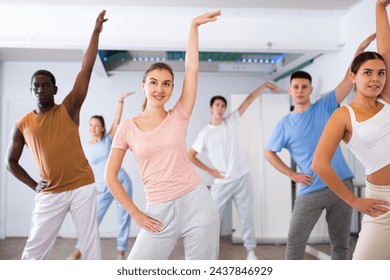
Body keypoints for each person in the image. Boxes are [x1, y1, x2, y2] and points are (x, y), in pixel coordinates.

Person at [105, 11, 222, 260]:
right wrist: (135, 213)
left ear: (172, 88)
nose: (160, 88)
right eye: (154, 82)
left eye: (166, 83)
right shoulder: (127, 127)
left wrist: (193, 27)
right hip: (158, 210)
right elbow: (110, 176)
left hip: (198, 204)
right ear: (143, 86)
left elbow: (191, 70)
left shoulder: (179, 115)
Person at [4, 10, 107, 260]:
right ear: (31, 91)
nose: (40, 89)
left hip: (82, 186)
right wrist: (33, 185)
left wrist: (95, 32)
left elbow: (87, 68)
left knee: (91, 248)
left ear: (55, 89)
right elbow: (10, 162)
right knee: (34, 250)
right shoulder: (22, 125)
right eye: (35, 86)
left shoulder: (69, 108)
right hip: (50, 192)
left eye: (45, 85)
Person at [264, 34, 376, 260]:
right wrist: (292, 174)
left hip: (342, 185)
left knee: (341, 247)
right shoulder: (284, 124)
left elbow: (348, 80)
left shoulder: (325, 106)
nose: (300, 90)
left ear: (310, 90)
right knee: (294, 246)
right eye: (295, 86)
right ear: (290, 90)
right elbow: (269, 152)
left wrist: (360, 49)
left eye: (304, 86)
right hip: (310, 189)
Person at [312, 0, 390, 260]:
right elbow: (320, 164)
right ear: (353, 77)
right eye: (367, 73)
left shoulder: (387, 99)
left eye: (381, 73)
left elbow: (385, 50)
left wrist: (380, 8)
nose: (376, 79)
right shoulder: (343, 116)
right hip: (383, 203)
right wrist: (354, 201)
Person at [188, 82, 279, 260]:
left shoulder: (230, 122)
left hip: (242, 177)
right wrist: (209, 170)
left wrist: (264, 86)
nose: (220, 109)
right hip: (222, 182)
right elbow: (190, 155)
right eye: (217, 106)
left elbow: (249, 99)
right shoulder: (205, 134)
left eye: (223, 106)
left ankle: (251, 252)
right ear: (211, 108)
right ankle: (208, 255)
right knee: (212, 219)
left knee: (246, 216)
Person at [68, 92, 134, 260]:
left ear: (102, 128)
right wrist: (92, 188)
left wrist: (120, 101)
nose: (93, 128)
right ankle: (78, 251)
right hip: (103, 188)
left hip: (121, 182)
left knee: (123, 217)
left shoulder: (108, 140)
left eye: (97, 125)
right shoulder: (85, 148)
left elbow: (116, 121)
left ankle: (121, 254)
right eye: (91, 125)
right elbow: (85, 170)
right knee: (92, 222)